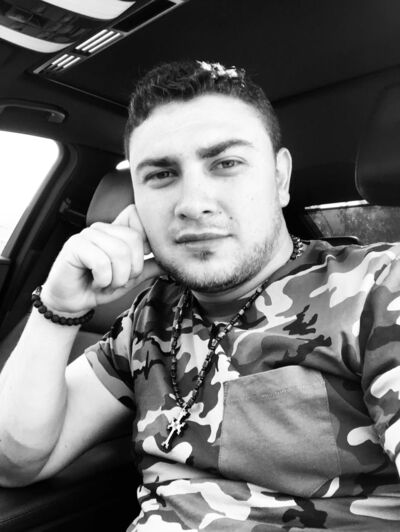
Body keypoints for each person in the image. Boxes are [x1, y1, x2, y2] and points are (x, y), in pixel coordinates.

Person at [0, 59, 400, 531]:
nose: (192, 204)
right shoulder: (148, 318)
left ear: (279, 178)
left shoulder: (378, 285)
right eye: (161, 175)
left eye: (226, 164)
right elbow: (15, 462)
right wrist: (58, 309)